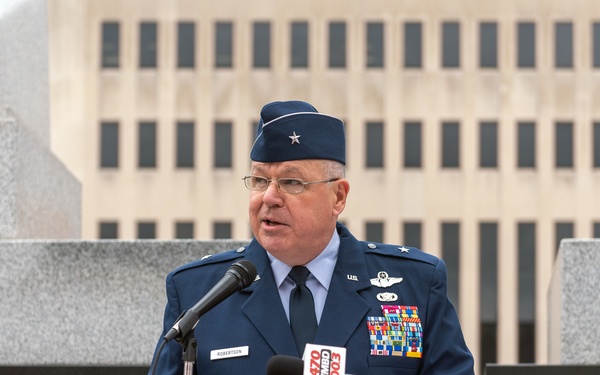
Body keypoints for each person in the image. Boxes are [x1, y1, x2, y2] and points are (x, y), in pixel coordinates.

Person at [149, 100, 474, 375]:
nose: (269, 197)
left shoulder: (414, 286)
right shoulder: (198, 293)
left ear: (338, 197)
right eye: (260, 180)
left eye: (291, 182)